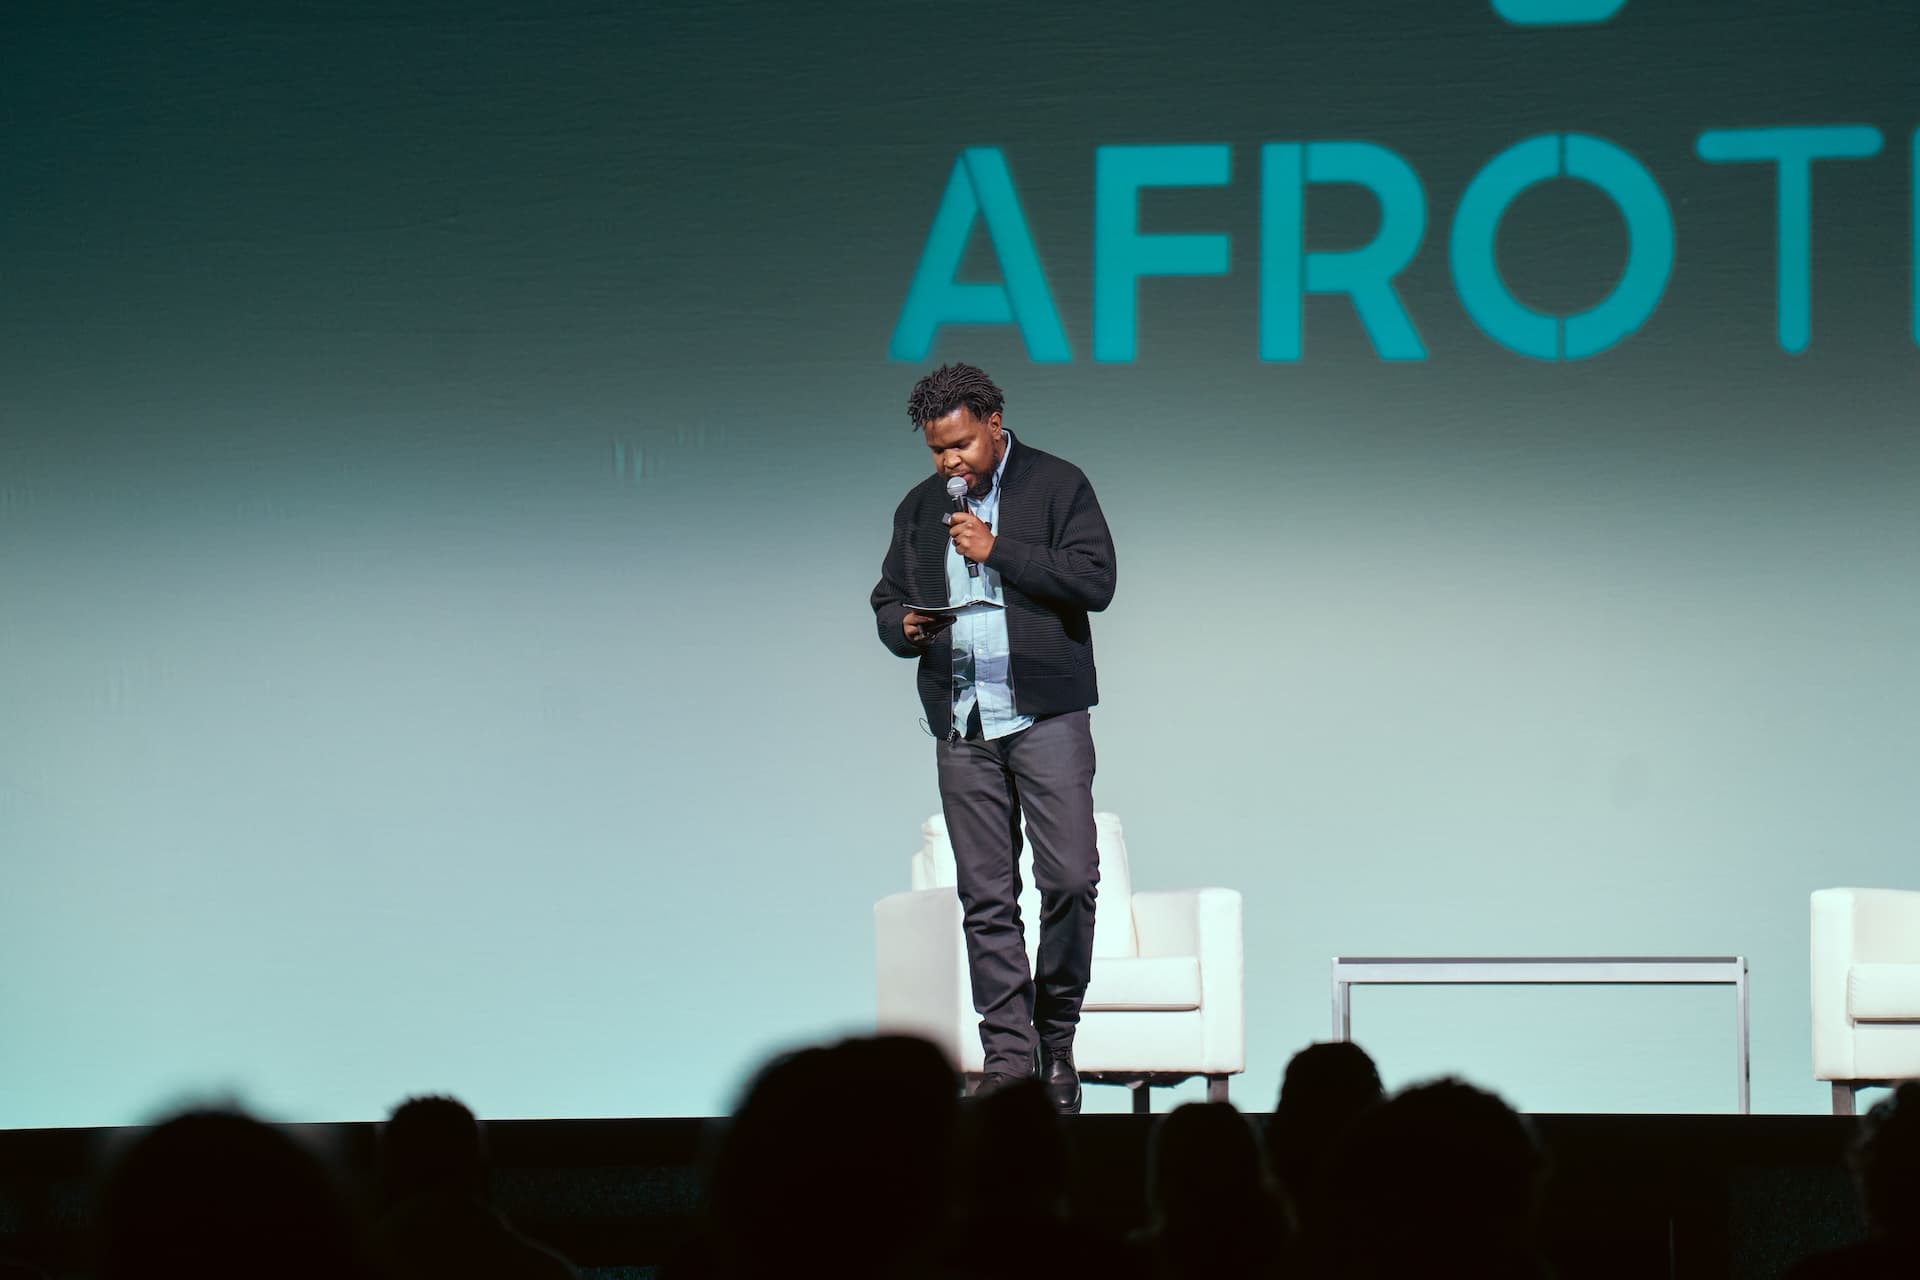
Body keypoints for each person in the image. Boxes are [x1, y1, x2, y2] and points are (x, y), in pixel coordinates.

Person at [871, 362, 1117, 1113]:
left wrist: (996, 549)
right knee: (987, 897)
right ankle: (1012, 1062)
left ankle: (1058, 1036)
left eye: (962, 446)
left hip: (1044, 714)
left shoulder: (1057, 483)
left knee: (1071, 879)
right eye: (937, 450)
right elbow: (887, 597)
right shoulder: (919, 509)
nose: (950, 463)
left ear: (994, 423)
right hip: (963, 721)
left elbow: (1096, 581)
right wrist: (902, 627)